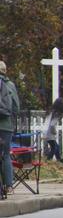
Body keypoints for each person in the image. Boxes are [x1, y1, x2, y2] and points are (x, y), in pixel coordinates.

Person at [0, 60, 21, 193]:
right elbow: (16, 107)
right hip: (6, 126)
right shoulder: (10, 85)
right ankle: (9, 186)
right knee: (6, 155)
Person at [43, 98, 63, 162]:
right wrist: (54, 132)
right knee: (54, 148)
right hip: (50, 133)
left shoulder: (50, 111)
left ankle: (59, 159)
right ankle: (48, 160)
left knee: (56, 146)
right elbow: (52, 125)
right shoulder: (56, 114)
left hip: (45, 130)